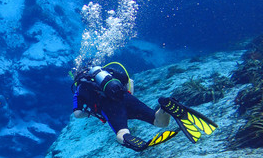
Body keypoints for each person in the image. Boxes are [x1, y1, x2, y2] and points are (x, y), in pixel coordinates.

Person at [71, 63, 218, 152]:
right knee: (159, 121)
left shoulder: (80, 88)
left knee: (121, 133)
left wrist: (90, 112)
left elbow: (77, 114)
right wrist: (128, 96)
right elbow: (129, 80)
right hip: (126, 98)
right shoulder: (107, 72)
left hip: (109, 107)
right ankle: (165, 107)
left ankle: (131, 141)